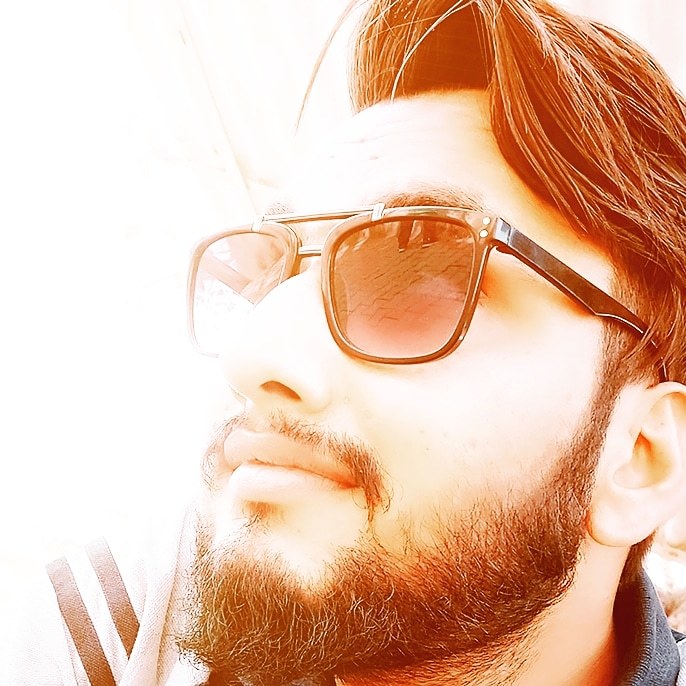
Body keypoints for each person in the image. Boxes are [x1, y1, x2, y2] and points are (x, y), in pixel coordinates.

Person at [5, 0, 686, 684]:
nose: (251, 356)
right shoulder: (115, 630)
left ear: (640, 456)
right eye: (265, 275)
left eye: (421, 268)